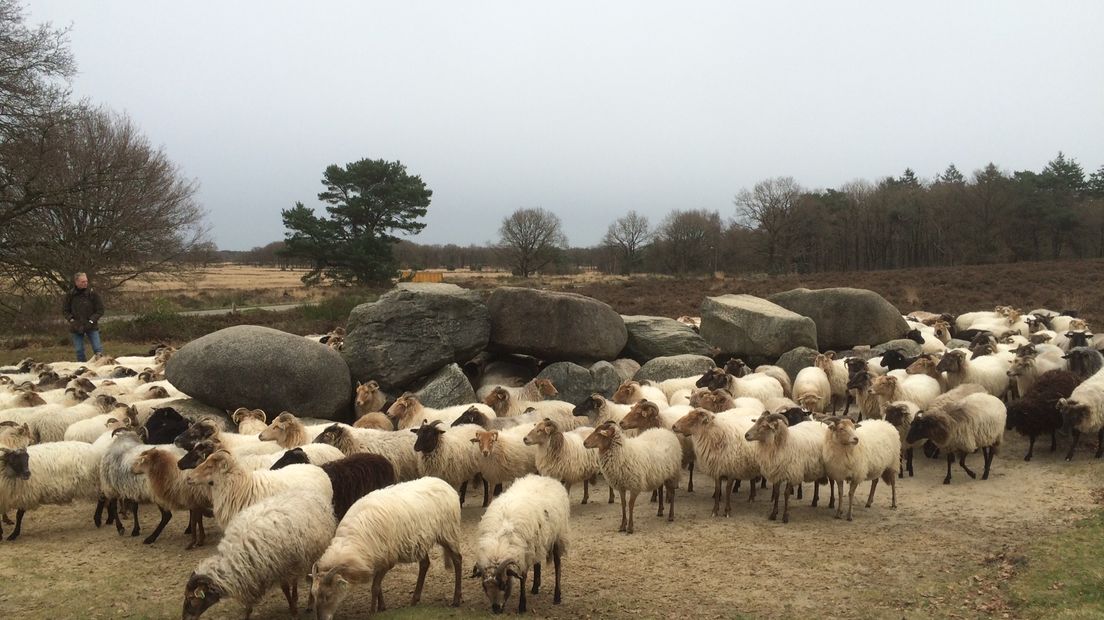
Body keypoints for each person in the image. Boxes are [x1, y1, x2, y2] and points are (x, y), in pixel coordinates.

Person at [62, 272, 105, 362]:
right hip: (76, 327)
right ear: (76, 282)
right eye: (82, 282)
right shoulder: (70, 295)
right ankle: (82, 368)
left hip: (91, 326)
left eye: (86, 281)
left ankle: (101, 367)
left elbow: (100, 310)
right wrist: (72, 320)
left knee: (98, 349)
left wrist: (91, 321)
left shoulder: (93, 294)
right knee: (79, 350)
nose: (85, 283)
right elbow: (65, 310)